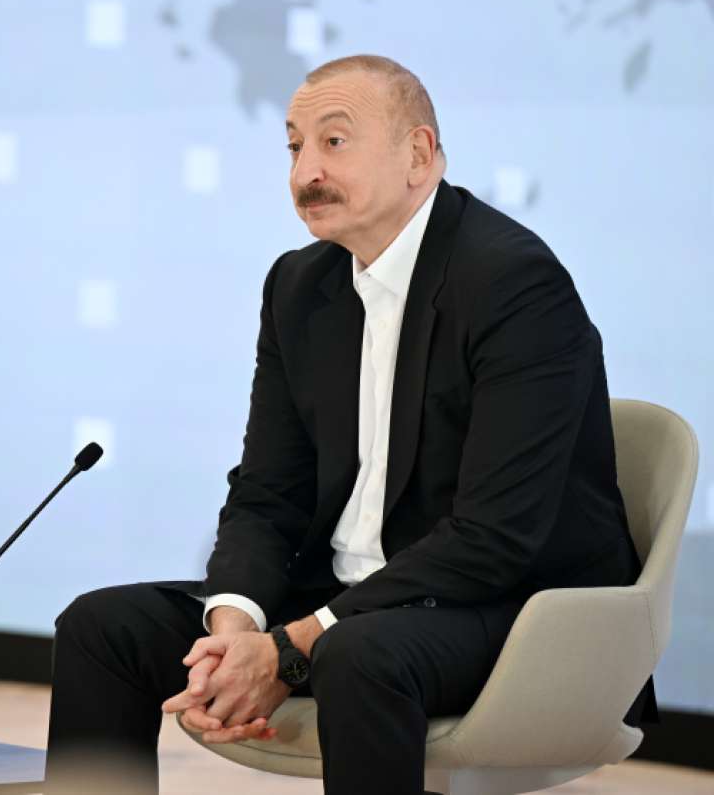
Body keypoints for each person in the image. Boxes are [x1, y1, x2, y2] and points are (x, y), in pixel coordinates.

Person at [43, 55, 651, 795]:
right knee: (102, 628)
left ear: (418, 156)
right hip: (346, 602)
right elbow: (267, 492)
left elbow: (494, 538)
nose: (306, 172)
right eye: (294, 146)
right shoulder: (299, 286)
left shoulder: (514, 283)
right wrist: (237, 632)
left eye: (334, 141)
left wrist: (292, 647)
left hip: (513, 609)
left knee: (357, 654)